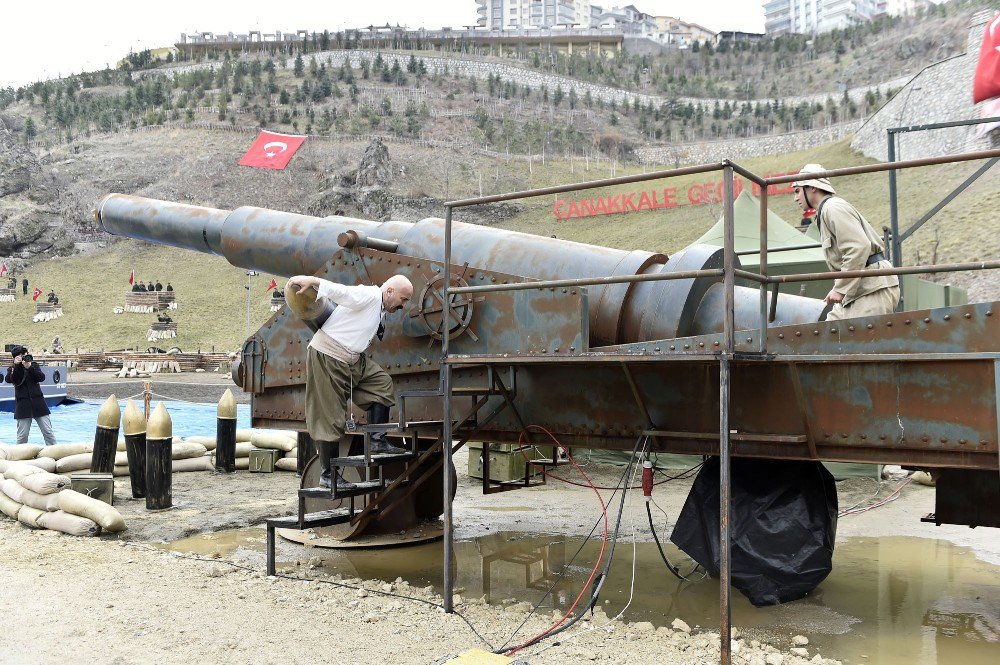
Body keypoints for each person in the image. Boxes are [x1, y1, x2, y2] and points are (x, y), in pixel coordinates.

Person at [286, 273, 413, 490]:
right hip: (329, 356)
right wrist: (314, 282)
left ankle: (377, 441)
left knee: (381, 385)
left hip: (353, 359)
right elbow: (342, 293)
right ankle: (328, 476)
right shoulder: (370, 295)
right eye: (403, 299)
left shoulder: (380, 306)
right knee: (330, 416)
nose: (404, 305)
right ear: (389, 291)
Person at [793, 164, 899, 321]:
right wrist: (840, 289)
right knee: (826, 339)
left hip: (871, 289)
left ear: (812, 187)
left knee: (861, 343)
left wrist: (840, 289)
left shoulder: (832, 208)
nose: (796, 198)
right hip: (856, 292)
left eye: (797, 191)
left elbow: (858, 247)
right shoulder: (825, 211)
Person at [4, 347, 57, 446]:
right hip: (23, 405)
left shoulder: (34, 365)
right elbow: (8, 379)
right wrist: (16, 366)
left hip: (39, 403)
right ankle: (20, 456)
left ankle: (55, 454)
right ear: (14, 358)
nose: (23, 358)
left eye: (24, 355)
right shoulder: (12, 368)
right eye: (20, 356)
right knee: (22, 436)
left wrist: (29, 367)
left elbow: (41, 377)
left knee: (48, 432)